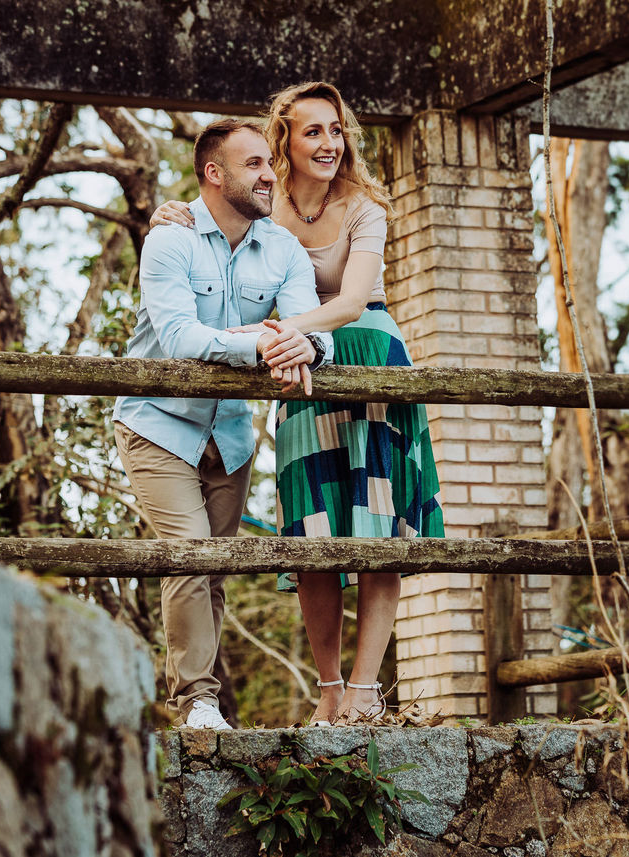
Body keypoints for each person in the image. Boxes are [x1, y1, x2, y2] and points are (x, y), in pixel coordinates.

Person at [152, 82, 444, 727]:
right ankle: (330, 687)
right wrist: (170, 212)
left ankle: (367, 689)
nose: (329, 143)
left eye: (336, 130)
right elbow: (212, 229)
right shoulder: (264, 203)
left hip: (364, 355)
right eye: (313, 131)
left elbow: (350, 301)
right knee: (314, 527)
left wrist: (281, 338)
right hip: (298, 370)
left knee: (375, 524)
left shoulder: (366, 206)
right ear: (283, 137)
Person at [116, 118, 332, 730]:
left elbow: (307, 329)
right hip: (158, 424)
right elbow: (181, 338)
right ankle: (197, 702)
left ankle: (200, 700)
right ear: (214, 173)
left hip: (231, 434)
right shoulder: (170, 240)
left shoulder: (284, 249)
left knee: (216, 568)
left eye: (271, 162)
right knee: (189, 556)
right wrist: (261, 346)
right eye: (255, 165)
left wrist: (306, 350)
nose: (271, 175)